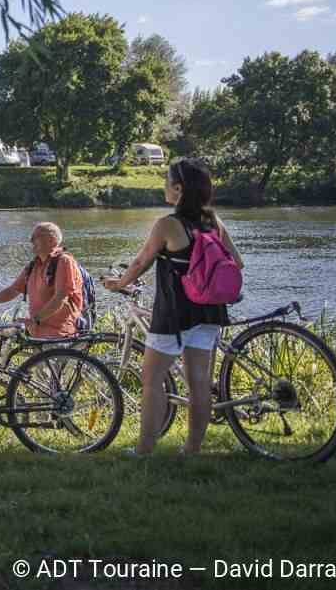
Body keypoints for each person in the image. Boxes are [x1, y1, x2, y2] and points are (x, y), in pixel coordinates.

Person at [101, 158, 243, 456]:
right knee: (200, 381)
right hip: (209, 312)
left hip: (175, 315)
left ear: (178, 188)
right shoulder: (212, 221)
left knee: (152, 380)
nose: (164, 186)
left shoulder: (167, 225)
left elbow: (141, 262)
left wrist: (119, 283)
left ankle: (144, 450)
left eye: (167, 181)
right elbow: (237, 263)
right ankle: (192, 449)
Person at [0, 222, 83, 339]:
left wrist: (34, 320)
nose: (31, 240)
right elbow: (12, 291)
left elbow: (60, 298)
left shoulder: (64, 261)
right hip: (38, 335)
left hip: (60, 335)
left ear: (52, 240)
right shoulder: (33, 266)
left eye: (36, 237)